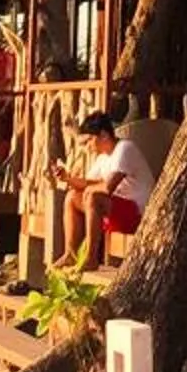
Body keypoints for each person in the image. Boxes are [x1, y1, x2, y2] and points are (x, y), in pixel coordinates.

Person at [55, 111, 154, 267]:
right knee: (72, 197)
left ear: (103, 135)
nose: (87, 147)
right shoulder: (103, 158)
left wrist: (90, 190)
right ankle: (70, 254)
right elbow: (89, 184)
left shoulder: (125, 148)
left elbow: (108, 187)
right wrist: (67, 178)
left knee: (94, 197)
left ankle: (91, 257)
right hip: (117, 211)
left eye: (89, 141)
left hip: (138, 214)